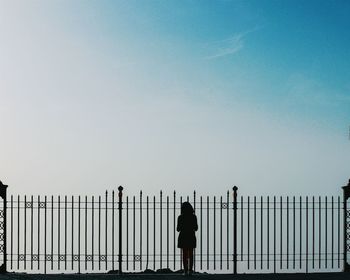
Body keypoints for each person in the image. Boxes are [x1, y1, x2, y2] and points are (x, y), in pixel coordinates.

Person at [177, 202, 198, 275]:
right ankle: (190, 270)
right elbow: (196, 228)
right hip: (191, 235)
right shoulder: (193, 216)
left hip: (183, 236)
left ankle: (185, 271)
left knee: (185, 254)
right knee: (191, 254)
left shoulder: (180, 217)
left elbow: (178, 229)